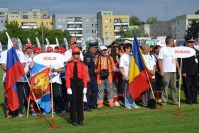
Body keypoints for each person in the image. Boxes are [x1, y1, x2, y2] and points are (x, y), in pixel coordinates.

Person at [0, 38, 26, 118]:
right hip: (8, 79)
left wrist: (16, 74)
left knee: (19, 95)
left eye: (15, 45)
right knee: (9, 95)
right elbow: (3, 65)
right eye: (13, 45)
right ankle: (10, 112)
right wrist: (11, 73)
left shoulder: (20, 53)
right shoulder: (4, 53)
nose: (14, 46)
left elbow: (23, 64)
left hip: (19, 79)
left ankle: (19, 111)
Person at [66, 47, 87, 126]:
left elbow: (84, 75)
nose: (77, 55)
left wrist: (85, 87)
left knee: (80, 101)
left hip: (80, 82)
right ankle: (73, 119)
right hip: (72, 83)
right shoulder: (69, 64)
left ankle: (80, 119)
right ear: (73, 55)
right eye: (75, 54)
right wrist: (68, 87)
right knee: (73, 101)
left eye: (78, 54)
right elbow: (67, 76)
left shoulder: (81, 64)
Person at [158, 36, 180, 107]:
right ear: (170, 41)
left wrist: (178, 68)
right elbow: (159, 60)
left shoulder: (174, 49)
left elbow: (176, 60)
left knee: (173, 86)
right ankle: (164, 101)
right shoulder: (163, 49)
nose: (174, 42)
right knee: (165, 86)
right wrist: (161, 70)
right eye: (173, 41)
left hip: (173, 70)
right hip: (166, 70)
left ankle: (175, 100)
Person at [46, 46, 66, 114]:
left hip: (56, 80)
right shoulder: (45, 60)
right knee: (49, 96)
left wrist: (53, 69)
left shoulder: (57, 59)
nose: (49, 53)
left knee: (57, 95)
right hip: (47, 80)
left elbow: (62, 69)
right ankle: (51, 108)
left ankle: (62, 108)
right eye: (48, 52)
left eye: (50, 52)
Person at [119, 43, 139, 109]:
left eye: (130, 48)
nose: (130, 49)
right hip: (127, 76)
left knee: (133, 90)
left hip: (133, 76)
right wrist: (124, 76)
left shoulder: (132, 56)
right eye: (128, 48)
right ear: (125, 49)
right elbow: (121, 68)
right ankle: (127, 104)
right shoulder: (123, 57)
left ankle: (133, 103)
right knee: (127, 91)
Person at [182, 39, 199, 104]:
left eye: (192, 42)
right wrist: (183, 71)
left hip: (195, 72)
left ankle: (194, 99)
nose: (192, 44)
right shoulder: (185, 52)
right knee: (187, 86)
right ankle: (189, 99)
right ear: (186, 43)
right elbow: (182, 62)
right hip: (187, 72)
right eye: (190, 42)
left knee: (195, 86)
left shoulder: (196, 51)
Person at [83, 42, 98, 111]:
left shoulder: (91, 55)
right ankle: (87, 105)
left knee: (95, 90)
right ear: (91, 48)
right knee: (87, 91)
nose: (95, 49)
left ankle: (93, 104)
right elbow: (86, 66)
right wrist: (87, 76)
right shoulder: (87, 55)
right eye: (95, 48)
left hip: (92, 75)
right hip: (88, 75)